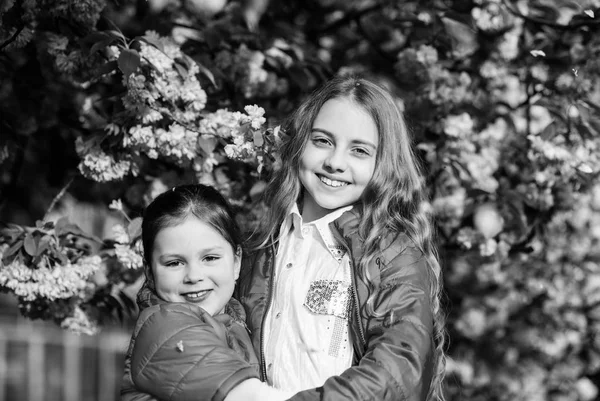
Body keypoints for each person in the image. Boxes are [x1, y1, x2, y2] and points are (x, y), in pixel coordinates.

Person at [237, 75, 446, 400]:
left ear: (383, 165)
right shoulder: (263, 242)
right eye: (322, 141)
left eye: (359, 150)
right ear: (299, 143)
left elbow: (398, 371)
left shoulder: (390, 254)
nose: (335, 162)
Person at [120, 184, 294, 401]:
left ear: (236, 261)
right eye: (174, 263)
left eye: (210, 258)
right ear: (150, 272)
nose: (193, 276)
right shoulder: (165, 327)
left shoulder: (236, 320)